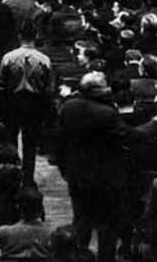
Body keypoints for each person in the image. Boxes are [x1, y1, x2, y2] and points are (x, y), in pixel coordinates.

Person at [52, 72, 135, 262]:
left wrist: (63, 167)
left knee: (81, 221)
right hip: (105, 180)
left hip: (76, 175)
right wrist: (153, 125)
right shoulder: (106, 113)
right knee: (107, 227)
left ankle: (78, 256)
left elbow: (60, 140)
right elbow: (129, 136)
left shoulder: (69, 107)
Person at [0, 27, 57, 174]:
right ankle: (28, 177)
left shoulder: (8, 57)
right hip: (34, 103)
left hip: (13, 101)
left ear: (19, 37)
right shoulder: (44, 59)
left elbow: (0, 85)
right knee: (30, 143)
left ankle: (11, 173)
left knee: (11, 140)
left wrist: (1, 107)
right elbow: (49, 87)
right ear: (35, 36)